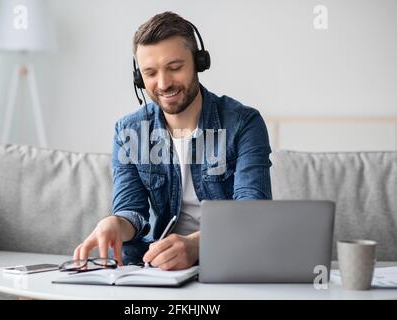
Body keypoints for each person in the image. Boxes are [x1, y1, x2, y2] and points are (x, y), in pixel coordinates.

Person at [73, 11, 272, 270]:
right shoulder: (128, 131)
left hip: (232, 260)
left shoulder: (244, 123)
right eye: (150, 73)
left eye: (175, 68)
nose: (164, 83)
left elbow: (252, 213)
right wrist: (114, 223)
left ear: (199, 62)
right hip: (161, 267)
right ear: (139, 77)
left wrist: (197, 245)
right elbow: (132, 212)